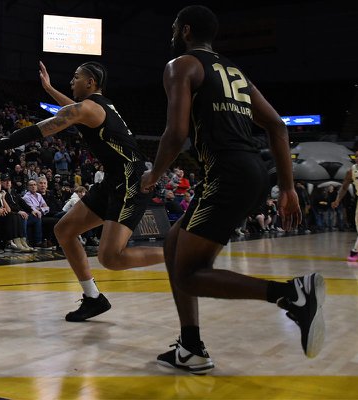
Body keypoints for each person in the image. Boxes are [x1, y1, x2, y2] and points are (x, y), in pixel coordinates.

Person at [138, 5, 325, 374]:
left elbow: (175, 134)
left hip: (227, 172)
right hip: (250, 169)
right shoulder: (235, 72)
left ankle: (291, 294)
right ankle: (190, 347)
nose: (173, 33)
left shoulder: (181, 65)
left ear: (186, 30)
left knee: (191, 272)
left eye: (175, 27)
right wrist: (286, 187)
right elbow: (278, 127)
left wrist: (154, 173)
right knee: (174, 244)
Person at [0, 60, 165, 322]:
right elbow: (73, 109)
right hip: (115, 178)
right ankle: (93, 298)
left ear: (90, 83)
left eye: (76, 77)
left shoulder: (88, 108)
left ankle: (177, 256)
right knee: (64, 230)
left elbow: (36, 131)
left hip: (130, 179)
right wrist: (49, 89)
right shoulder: (99, 105)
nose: (72, 81)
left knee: (111, 257)